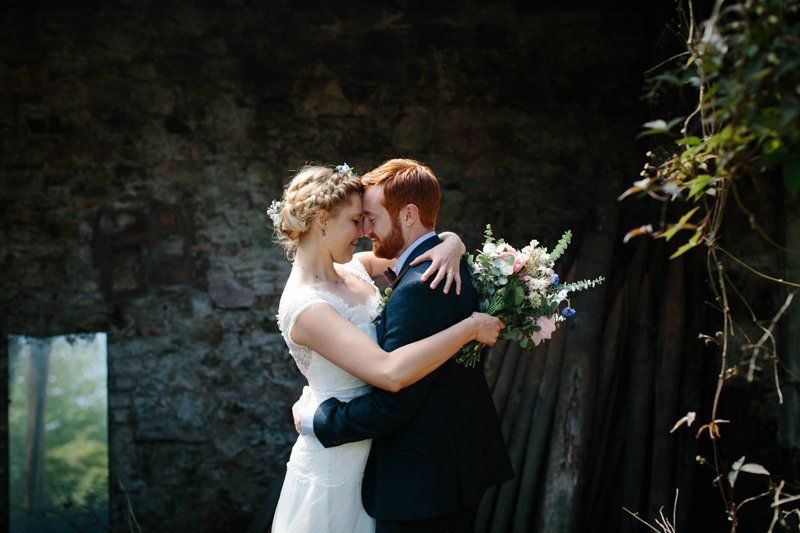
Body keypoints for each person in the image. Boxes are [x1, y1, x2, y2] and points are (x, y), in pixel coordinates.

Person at [269, 163, 505, 533]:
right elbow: (389, 372)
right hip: (339, 458)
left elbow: (417, 246)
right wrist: (471, 328)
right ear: (322, 221)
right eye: (355, 221)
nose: (363, 232)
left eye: (366, 219)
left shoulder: (355, 268)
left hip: (381, 455)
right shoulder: (306, 307)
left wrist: (453, 243)